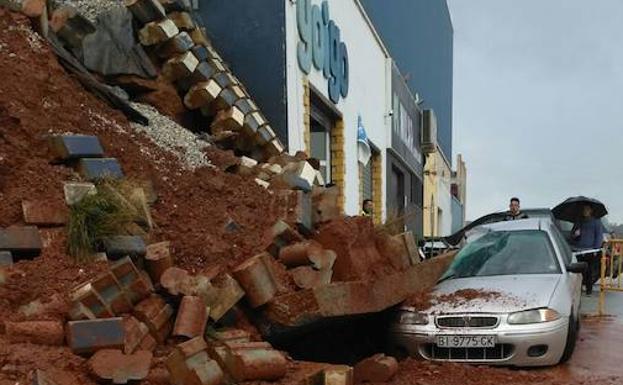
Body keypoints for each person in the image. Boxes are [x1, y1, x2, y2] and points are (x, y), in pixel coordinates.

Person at [571, 205, 605, 295]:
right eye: (584, 210)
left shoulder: (596, 222)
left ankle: (588, 290)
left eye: (587, 210)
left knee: (589, 271)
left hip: (590, 251)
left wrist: (596, 249)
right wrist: (575, 234)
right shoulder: (579, 221)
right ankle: (579, 289)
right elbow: (572, 236)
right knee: (578, 272)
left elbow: (599, 237)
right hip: (578, 250)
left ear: (591, 211)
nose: (585, 211)